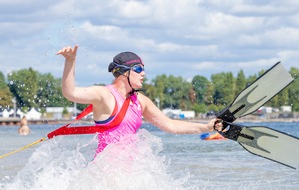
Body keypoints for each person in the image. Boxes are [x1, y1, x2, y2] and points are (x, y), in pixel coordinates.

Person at [56, 45, 223, 155]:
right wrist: (70, 61)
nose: (143, 73)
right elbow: (71, 93)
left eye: (143, 69)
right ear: (124, 73)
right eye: (138, 69)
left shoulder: (141, 101)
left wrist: (206, 127)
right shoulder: (105, 95)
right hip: (106, 176)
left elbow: (170, 125)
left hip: (132, 176)